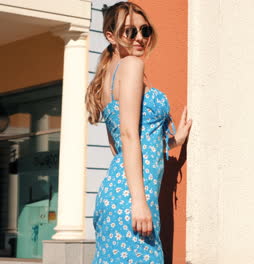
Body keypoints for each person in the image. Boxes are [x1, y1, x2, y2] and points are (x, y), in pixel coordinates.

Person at [85, 2, 192, 263]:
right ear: (111, 36)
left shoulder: (107, 77)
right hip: (132, 198)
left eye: (145, 30)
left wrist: (174, 141)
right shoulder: (132, 65)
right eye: (130, 32)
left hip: (115, 196)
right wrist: (140, 202)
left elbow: (119, 146)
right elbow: (129, 136)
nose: (140, 38)